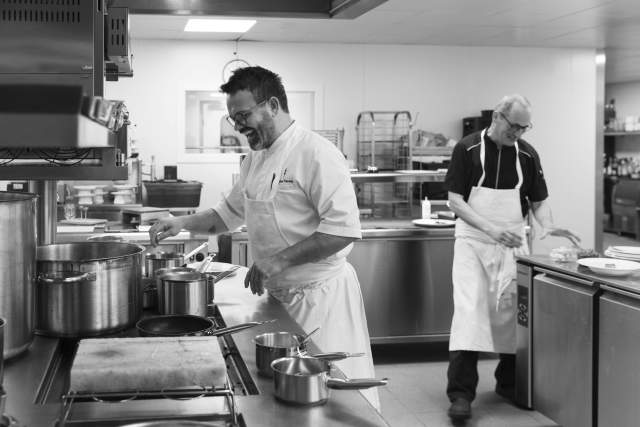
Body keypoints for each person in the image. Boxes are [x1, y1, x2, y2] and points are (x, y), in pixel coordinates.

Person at [148, 66, 380, 410]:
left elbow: (342, 231)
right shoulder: (254, 160)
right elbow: (225, 215)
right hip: (279, 297)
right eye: (233, 119)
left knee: (333, 397)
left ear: (272, 105)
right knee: (288, 396)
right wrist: (180, 223)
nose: (239, 127)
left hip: (321, 299)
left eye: (244, 115)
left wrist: (277, 260)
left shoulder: (316, 153)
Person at [443, 94, 579, 421]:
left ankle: (509, 383)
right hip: (474, 242)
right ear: (498, 117)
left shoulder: (528, 154)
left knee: (515, 315)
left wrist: (548, 226)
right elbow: (455, 201)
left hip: (513, 243)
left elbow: (538, 200)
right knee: (469, 312)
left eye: (524, 127)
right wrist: (491, 229)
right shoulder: (468, 148)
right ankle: (461, 394)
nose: (518, 133)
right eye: (514, 125)